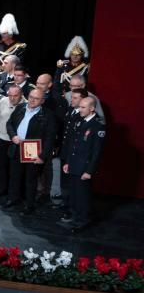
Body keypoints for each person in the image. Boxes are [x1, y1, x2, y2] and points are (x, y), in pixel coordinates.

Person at [4, 88, 56, 215]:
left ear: (42, 101)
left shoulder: (48, 115)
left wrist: (42, 156)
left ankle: (29, 204)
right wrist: (13, 136)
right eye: (31, 96)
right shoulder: (21, 107)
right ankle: (13, 198)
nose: (32, 100)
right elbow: (9, 124)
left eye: (36, 98)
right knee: (15, 176)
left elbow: (50, 138)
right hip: (16, 147)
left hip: (33, 150)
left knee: (30, 179)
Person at [61, 95, 105, 231]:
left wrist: (89, 171)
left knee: (82, 196)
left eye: (83, 107)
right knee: (73, 194)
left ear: (92, 109)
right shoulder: (79, 122)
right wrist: (68, 162)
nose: (79, 110)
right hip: (74, 164)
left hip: (84, 167)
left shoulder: (97, 127)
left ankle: (83, 220)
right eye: (80, 106)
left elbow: (96, 152)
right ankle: (75, 217)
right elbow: (72, 145)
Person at [0, 85, 25, 202]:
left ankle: (13, 195)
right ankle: (0, 190)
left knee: (14, 170)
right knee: (0, 167)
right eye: (10, 95)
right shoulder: (3, 101)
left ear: (21, 95)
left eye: (15, 96)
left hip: (15, 142)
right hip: (0, 138)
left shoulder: (26, 104)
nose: (12, 98)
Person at [55, 87, 86, 216]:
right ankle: (65, 202)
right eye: (71, 97)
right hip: (65, 151)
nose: (71, 100)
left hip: (74, 155)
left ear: (83, 99)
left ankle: (72, 207)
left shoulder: (83, 116)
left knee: (73, 183)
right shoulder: (70, 111)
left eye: (75, 98)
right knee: (64, 180)